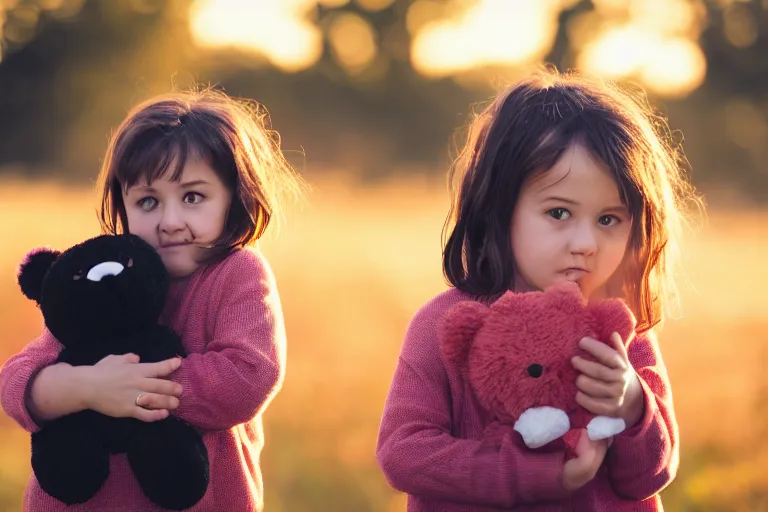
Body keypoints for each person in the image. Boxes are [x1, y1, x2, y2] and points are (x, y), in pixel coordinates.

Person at [376, 69, 701, 511]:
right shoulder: (446, 324)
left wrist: (631, 407)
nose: (585, 243)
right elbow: (404, 453)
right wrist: (538, 475)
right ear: (499, 207)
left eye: (608, 219)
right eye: (559, 213)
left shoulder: (619, 331)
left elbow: (651, 475)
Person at [0, 88, 306, 511]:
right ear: (123, 206)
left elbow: (247, 375)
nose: (170, 221)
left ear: (233, 199)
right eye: (148, 201)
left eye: (193, 197)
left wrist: (133, 390)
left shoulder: (236, 274)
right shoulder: (103, 276)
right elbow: (20, 378)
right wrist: (86, 388)